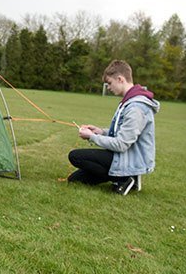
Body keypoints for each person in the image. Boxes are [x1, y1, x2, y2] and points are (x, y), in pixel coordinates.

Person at [67, 59, 160, 195]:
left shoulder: (136, 108)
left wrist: (92, 137)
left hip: (129, 159)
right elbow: (119, 132)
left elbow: (121, 144)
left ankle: (125, 177)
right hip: (121, 156)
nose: (109, 88)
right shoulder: (128, 101)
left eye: (110, 83)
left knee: (75, 156)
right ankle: (120, 176)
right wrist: (100, 131)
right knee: (74, 180)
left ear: (120, 79)